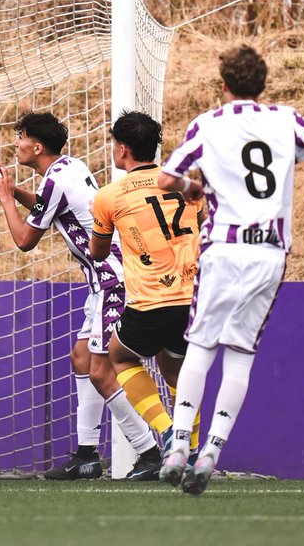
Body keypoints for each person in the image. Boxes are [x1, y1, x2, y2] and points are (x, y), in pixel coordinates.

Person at [156, 45, 304, 494]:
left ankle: (177, 448)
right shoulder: (285, 120)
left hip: (223, 248)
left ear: (223, 85)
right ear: (263, 84)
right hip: (268, 254)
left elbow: (167, 180)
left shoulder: (208, 124)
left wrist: (193, 187)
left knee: (201, 346)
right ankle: (212, 451)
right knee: (240, 354)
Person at [0, 112, 161, 480]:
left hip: (113, 280)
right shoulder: (68, 168)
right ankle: (86, 455)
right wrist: (16, 191)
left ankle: (149, 451)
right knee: (82, 358)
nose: (15, 142)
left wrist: (5, 198)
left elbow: (24, 241)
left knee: (101, 369)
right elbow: (47, 204)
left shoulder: (56, 182)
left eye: (20, 137)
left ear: (36, 146)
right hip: (104, 281)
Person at [89, 111, 203, 467]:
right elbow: (196, 223)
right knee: (175, 370)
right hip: (192, 295)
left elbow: (98, 251)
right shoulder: (183, 184)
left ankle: (168, 431)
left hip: (151, 298)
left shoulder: (109, 195)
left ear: (122, 149)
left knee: (118, 356)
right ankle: (194, 450)